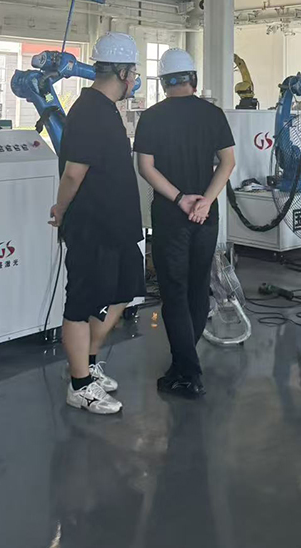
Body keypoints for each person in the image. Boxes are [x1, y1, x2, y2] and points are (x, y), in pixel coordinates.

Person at [50, 32, 145, 414]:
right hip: (91, 225)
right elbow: (74, 173)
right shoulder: (89, 110)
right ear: (122, 73)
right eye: (133, 72)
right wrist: (60, 210)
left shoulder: (106, 109)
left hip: (116, 225)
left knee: (124, 291)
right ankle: (79, 386)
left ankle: (86, 364)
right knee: (80, 303)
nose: (135, 79)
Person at [134, 48, 235, 398]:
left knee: (174, 293)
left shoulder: (151, 117)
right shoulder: (213, 114)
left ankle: (188, 373)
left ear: (163, 82)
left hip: (171, 215)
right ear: (193, 79)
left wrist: (179, 199)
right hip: (206, 215)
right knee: (197, 288)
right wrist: (205, 200)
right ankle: (185, 363)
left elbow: (145, 167)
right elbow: (227, 162)